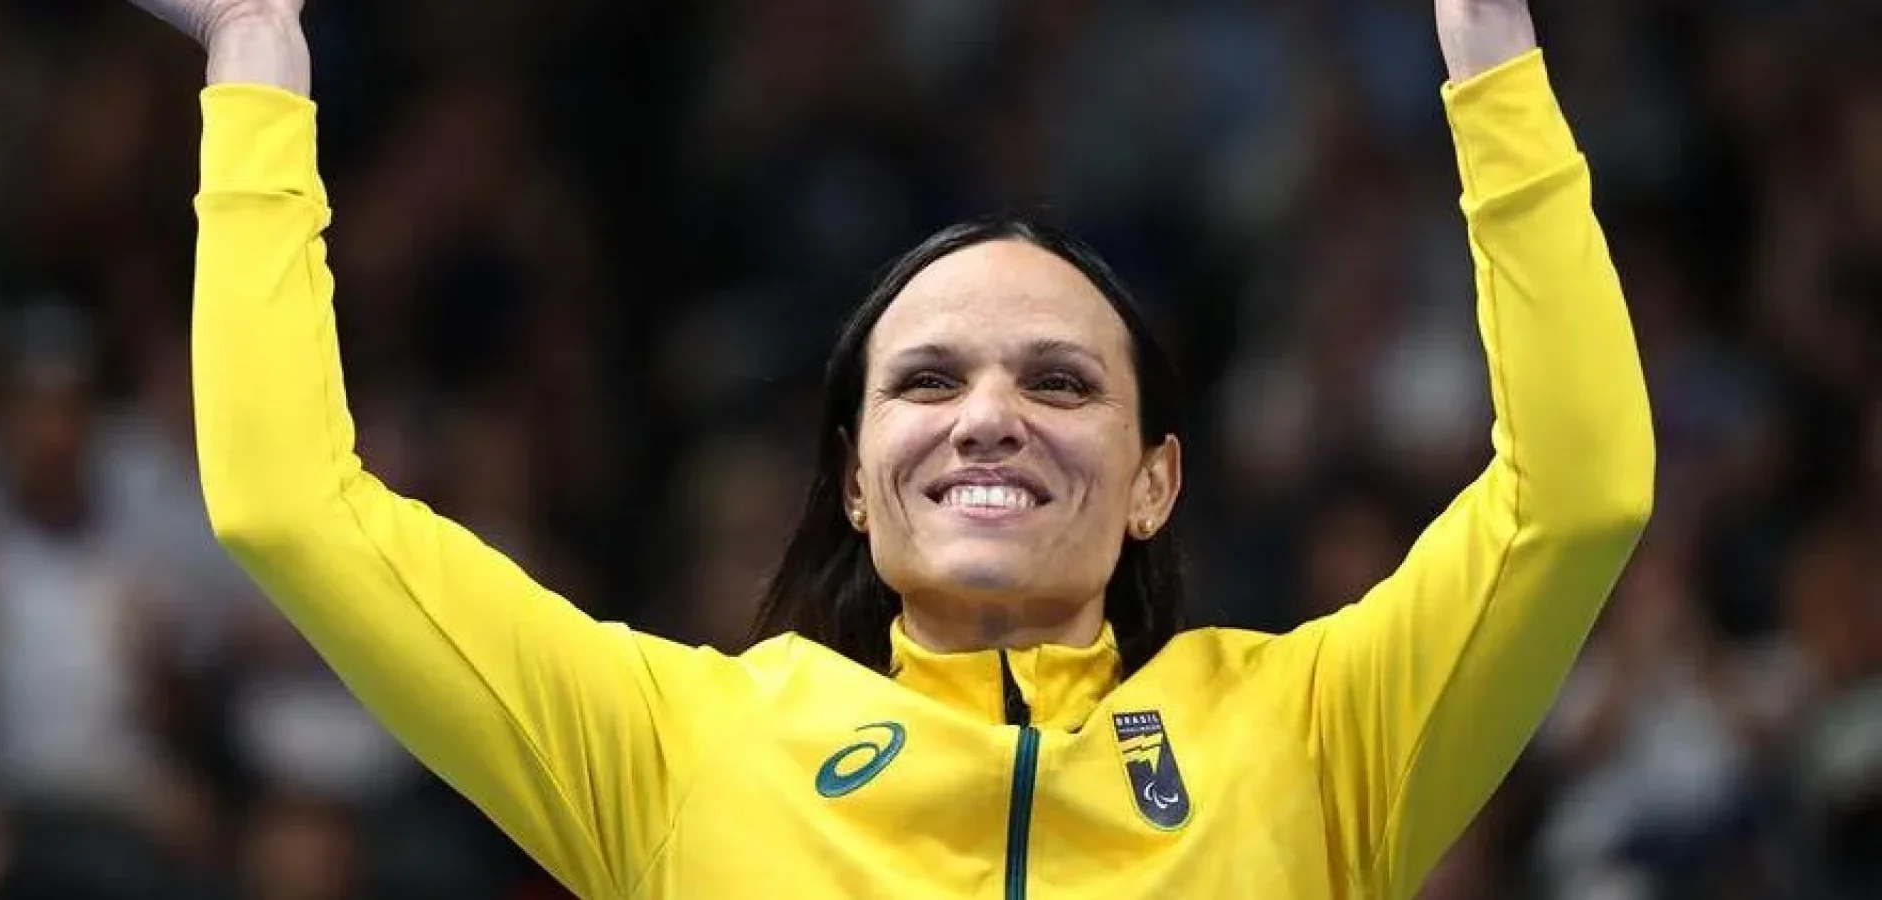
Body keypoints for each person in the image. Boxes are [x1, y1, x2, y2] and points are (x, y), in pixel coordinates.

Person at [134, 0, 1655, 895]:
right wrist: (260, 48)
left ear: (1155, 482)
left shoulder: (1324, 736)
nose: (989, 412)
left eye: (1060, 381)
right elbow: (291, 507)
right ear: (856, 480)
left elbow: (1577, 498)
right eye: (926, 380)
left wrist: (1490, 47)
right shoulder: (676, 751)